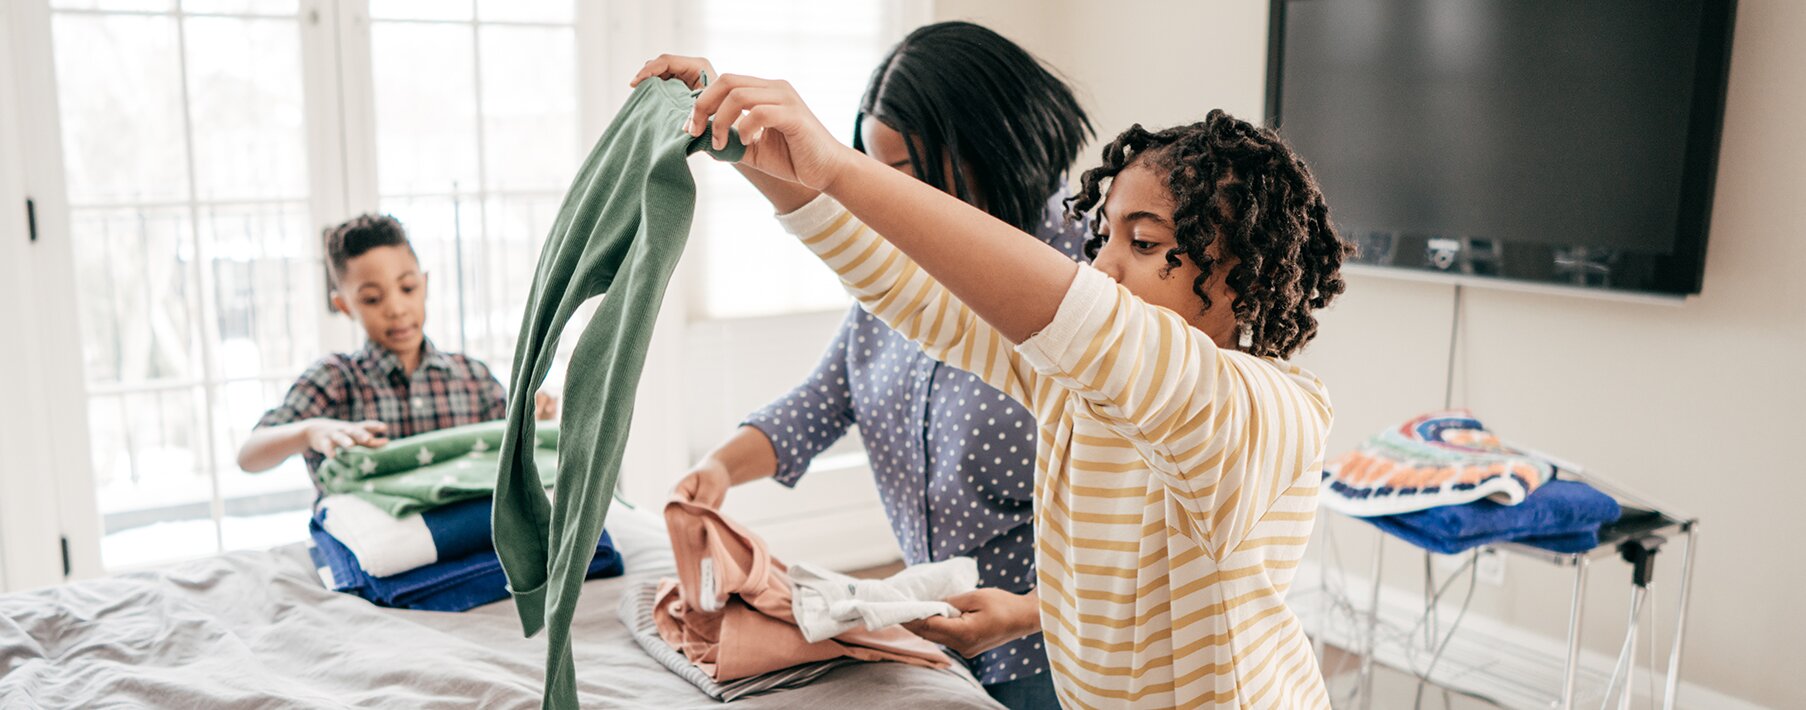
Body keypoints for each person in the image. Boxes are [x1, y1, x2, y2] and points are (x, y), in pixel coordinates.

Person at [653, 63, 1351, 707]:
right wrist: (757, 155)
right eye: (1104, 238)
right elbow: (916, 295)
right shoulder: (1075, 392)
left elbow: (1101, 328)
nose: (1104, 267)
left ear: (1246, 276)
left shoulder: (1270, 410)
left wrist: (838, 166)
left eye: (1142, 243)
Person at [643, 21, 1090, 709]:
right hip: (941, 630)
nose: (884, 199)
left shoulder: (1084, 274)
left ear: (983, 147)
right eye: (871, 171)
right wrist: (720, 469)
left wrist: (1032, 612)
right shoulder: (908, 267)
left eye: (902, 176)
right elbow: (828, 397)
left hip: (1054, 649)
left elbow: (1143, 529)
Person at [236, 214, 556, 482]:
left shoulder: (472, 377)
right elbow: (249, 456)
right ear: (344, 305)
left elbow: (514, 450)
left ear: (425, 284)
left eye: (407, 288)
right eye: (372, 299)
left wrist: (536, 418)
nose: (396, 308)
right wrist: (308, 432)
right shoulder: (333, 379)